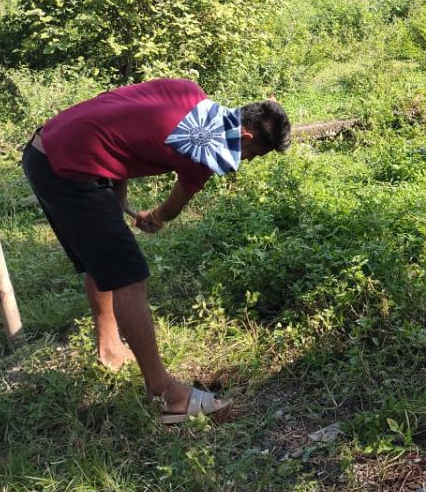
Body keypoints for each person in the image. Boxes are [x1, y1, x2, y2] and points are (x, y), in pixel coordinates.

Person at [22, 79, 291, 423]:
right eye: (252, 155)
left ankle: (109, 349)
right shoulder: (205, 148)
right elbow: (171, 209)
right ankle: (165, 394)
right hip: (67, 169)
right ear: (246, 137)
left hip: (51, 146)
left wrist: (115, 197)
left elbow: (111, 115)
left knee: (103, 256)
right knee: (129, 276)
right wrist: (155, 217)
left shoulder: (188, 92)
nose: (247, 161)